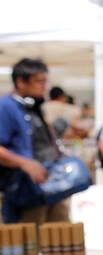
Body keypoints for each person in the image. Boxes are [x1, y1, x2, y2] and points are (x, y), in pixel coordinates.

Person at [0, 58, 70, 224]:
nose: (44, 86)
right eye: (39, 82)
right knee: (29, 238)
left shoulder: (34, 106)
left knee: (61, 236)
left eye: (45, 81)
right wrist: (24, 162)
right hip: (26, 192)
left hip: (51, 187)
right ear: (20, 82)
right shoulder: (6, 106)